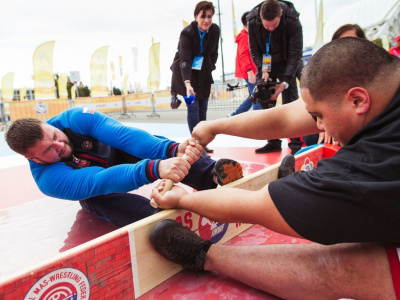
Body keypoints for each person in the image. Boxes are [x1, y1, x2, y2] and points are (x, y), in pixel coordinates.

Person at [149, 38, 400, 299]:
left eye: (320, 117)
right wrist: (215, 126)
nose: (320, 128)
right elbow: (284, 117)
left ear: (358, 100)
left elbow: (256, 205)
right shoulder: (380, 88)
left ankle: (205, 255)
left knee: (349, 268)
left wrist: (183, 198)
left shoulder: (371, 166)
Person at [4, 107, 243, 227]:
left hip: (119, 152)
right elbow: (98, 180)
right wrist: (153, 169)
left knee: (153, 145)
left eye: (55, 135)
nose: (60, 144)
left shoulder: (75, 118)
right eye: (48, 150)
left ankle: (210, 175)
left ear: (49, 124)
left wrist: (172, 151)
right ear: (34, 159)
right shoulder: (47, 180)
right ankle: (157, 221)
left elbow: (123, 135)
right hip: (100, 184)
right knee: (97, 198)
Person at [247, 0, 303, 155]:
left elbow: (295, 54)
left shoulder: (292, 20)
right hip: (266, 64)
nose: (271, 29)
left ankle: (295, 143)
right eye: (267, 26)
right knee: (265, 99)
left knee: (289, 103)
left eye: (275, 25)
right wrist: (262, 70)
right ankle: (273, 141)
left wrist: (285, 82)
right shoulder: (252, 21)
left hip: (287, 62)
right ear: (260, 18)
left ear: (281, 14)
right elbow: (254, 50)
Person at [303, 23, 366, 147]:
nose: (345, 48)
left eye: (351, 42)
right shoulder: (329, 74)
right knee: (312, 136)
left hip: (359, 125)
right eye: (339, 43)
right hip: (336, 121)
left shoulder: (373, 73)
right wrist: (327, 126)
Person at [170, 1, 219, 156]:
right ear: (196, 16)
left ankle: (202, 143)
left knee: (203, 109)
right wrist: (187, 83)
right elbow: (185, 59)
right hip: (186, 75)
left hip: (203, 74)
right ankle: (195, 144)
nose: (206, 20)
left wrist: (209, 66)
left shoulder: (215, 30)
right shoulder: (187, 33)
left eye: (209, 16)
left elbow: (214, 53)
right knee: (194, 109)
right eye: (203, 16)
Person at [227, 12, 262, 117]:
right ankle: (258, 119)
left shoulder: (247, 35)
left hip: (251, 71)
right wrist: (249, 71)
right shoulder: (244, 36)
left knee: (252, 95)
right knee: (257, 96)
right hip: (250, 71)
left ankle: (235, 115)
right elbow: (243, 54)